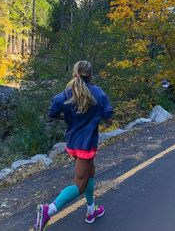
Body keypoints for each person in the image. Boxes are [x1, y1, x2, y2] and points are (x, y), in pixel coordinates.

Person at [34, 60, 113, 231]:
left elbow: (52, 113)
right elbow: (108, 115)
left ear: (75, 73)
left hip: (72, 143)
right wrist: (96, 116)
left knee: (90, 173)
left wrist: (70, 119)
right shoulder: (98, 93)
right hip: (86, 145)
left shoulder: (65, 93)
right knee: (80, 184)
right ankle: (49, 210)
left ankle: (91, 211)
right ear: (90, 74)